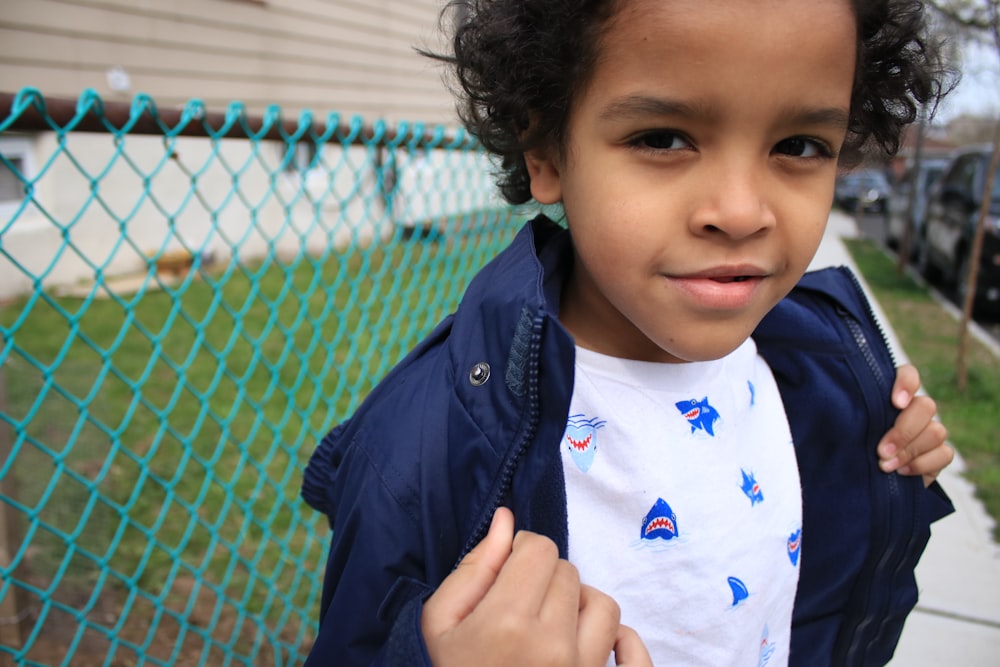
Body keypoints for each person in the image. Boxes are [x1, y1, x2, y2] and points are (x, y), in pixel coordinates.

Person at [301, 0, 957, 664]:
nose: (739, 211)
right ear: (546, 151)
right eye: (664, 138)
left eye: (798, 146)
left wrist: (886, 462)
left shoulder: (823, 379)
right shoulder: (423, 447)